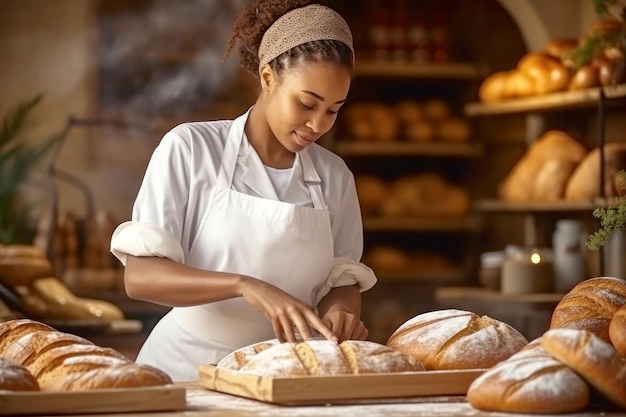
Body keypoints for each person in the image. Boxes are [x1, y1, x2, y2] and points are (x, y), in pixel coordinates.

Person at [109, 0, 377, 382]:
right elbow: (141, 278)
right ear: (268, 78)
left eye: (333, 110)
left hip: (283, 375)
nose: (318, 124)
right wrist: (244, 285)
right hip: (184, 370)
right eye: (306, 103)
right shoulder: (191, 148)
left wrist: (341, 313)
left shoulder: (334, 177)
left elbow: (343, 280)